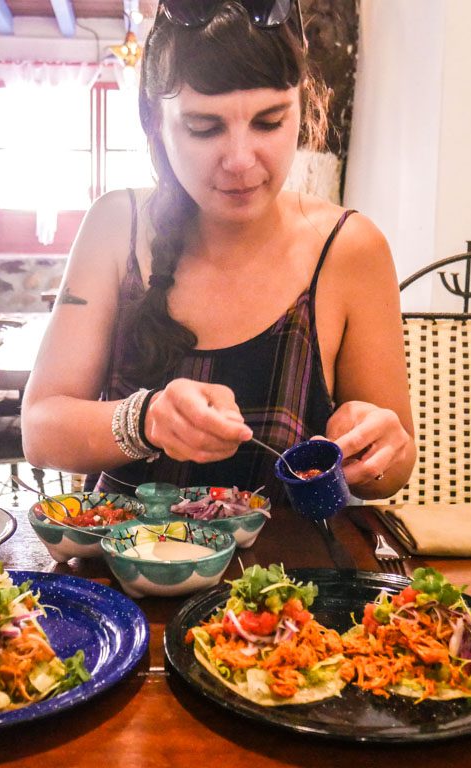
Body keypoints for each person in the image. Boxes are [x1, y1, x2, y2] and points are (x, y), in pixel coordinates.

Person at [21, 0, 415, 505]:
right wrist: (146, 420)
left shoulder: (350, 248)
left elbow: (395, 467)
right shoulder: (117, 227)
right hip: (124, 572)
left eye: (269, 122)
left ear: (303, 106)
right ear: (154, 122)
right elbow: (40, 430)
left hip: (288, 577)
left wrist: (378, 449)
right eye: (204, 128)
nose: (240, 160)